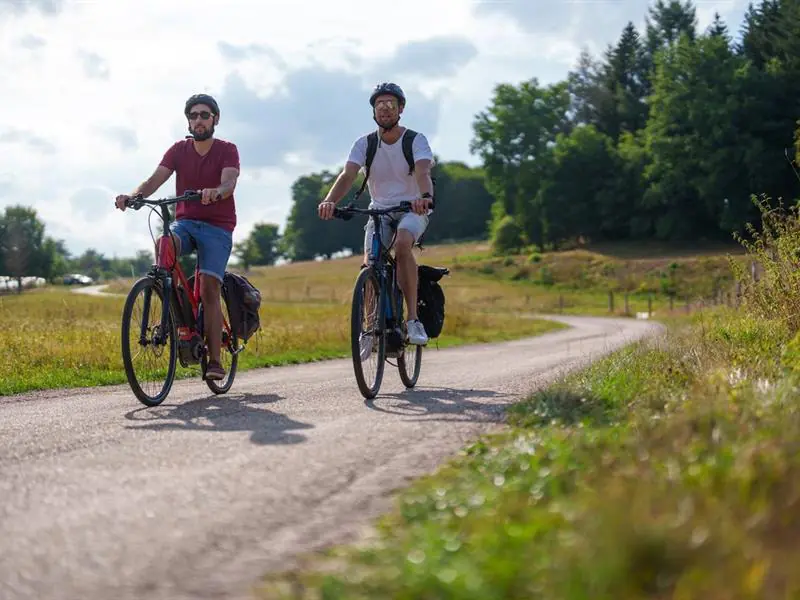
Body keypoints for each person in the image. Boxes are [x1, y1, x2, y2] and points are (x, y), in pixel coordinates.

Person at [114, 93, 240, 380]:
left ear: (215, 119)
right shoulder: (178, 150)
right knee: (164, 244)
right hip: (186, 222)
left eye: (204, 115)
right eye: (193, 115)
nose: (198, 120)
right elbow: (155, 179)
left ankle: (216, 360)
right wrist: (134, 196)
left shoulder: (227, 149)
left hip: (218, 227)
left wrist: (217, 192)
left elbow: (229, 182)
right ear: (188, 120)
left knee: (209, 288)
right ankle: (181, 317)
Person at [318, 82, 435, 346]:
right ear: (373, 110)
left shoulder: (415, 140)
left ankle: (413, 320)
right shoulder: (365, 143)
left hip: (411, 209)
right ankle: (369, 329)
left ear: (400, 109)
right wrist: (329, 201)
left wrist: (425, 198)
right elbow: (348, 175)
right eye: (379, 104)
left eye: (390, 104)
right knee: (371, 263)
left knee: (404, 244)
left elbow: (423, 172)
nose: (384, 109)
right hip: (378, 210)